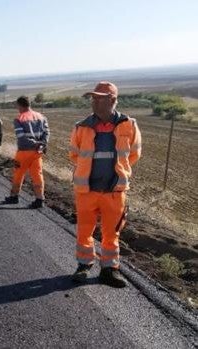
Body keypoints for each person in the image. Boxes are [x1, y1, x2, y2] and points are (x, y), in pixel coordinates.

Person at [70, 82, 142, 288]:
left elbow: (134, 154)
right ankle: (84, 265)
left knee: (112, 232)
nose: (94, 101)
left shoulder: (129, 125)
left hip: (114, 191)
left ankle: (109, 270)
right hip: (86, 190)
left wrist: (118, 172)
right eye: (93, 98)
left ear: (112, 100)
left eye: (99, 98)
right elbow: (74, 154)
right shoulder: (81, 126)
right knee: (85, 230)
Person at [4, 96, 50, 208]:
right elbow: (47, 132)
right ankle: (40, 199)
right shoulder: (41, 117)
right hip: (37, 153)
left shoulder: (19, 119)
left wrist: (35, 143)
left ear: (20, 105)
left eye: (17, 106)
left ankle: (14, 197)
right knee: (37, 175)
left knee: (18, 173)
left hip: (24, 152)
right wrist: (42, 144)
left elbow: (21, 137)